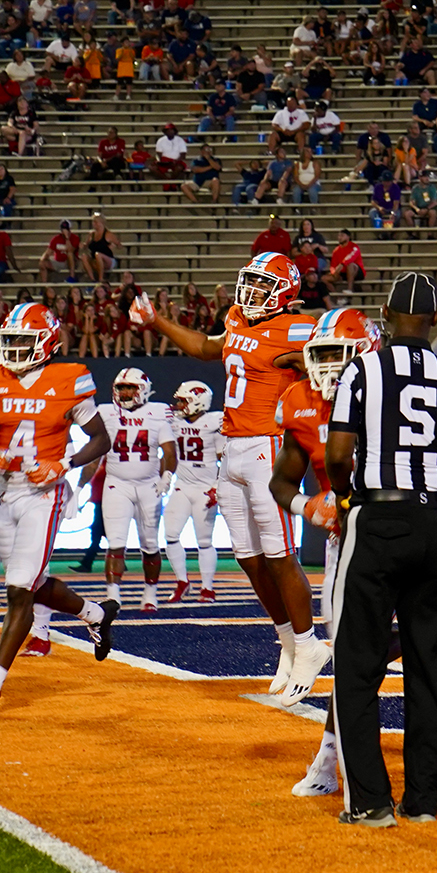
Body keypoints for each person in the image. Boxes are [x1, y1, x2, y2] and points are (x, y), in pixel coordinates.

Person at [129, 255, 331, 706]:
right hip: (233, 445)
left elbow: (338, 357)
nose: (251, 293)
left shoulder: (300, 325)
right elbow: (207, 348)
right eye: (250, 283)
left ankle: (309, 643)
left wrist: (304, 362)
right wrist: (157, 321)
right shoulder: (238, 317)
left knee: (279, 555)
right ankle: (290, 642)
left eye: (261, 285)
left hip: (269, 445)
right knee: (247, 557)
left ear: (282, 291)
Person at [325, 272, 437, 825]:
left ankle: (369, 801)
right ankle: (422, 802)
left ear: (385, 313)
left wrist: (347, 501)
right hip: (436, 519)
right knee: (431, 667)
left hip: (378, 514)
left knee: (356, 664)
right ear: (435, 319)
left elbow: (339, 451)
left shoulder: (362, 370)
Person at [0, 303, 118, 713]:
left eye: (23, 341)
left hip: (44, 495)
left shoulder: (70, 379)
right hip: (5, 490)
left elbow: (100, 440)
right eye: (9, 340)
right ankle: (96, 614)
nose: (13, 349)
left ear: (47, 342)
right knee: (33, 583)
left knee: (19, 589)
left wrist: (63, 464)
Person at [271, 306, 382, 796]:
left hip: (401, 525)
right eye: (321, 356)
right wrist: (306, 505)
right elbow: (280, 481)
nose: (327, 367)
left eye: (338, 354)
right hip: (346, 535)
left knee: (374, 641)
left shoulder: (391, 391)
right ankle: (328, 760)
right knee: (350, 646)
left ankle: (429, 657)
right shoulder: (299, 399)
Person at [81, 369, 177, 612]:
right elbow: (94, 454)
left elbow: (169, 450)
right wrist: (80, 486)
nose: (124, 392)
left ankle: (150, 592)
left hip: (149, 486)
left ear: (142, 389)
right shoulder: (105, 413)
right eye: (121, 387)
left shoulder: (157, 413)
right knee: (115, 542)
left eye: (130, 387)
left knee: (150, 544)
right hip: (117, 484)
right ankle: (113, 595)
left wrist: (166, 476)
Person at [165, 381, 223, 602]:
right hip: (182, 485)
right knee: (170, 535)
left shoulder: (214, 423)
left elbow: (225, 458)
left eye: (183, 401)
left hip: (204, 489)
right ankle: (182, 581)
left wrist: (217, 487)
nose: (179, 405)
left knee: (204, 541)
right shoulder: (174, 423)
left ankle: (207, 588)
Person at [81, 213, 120, 284]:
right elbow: (86, 245)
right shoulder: (91, 234)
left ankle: (100, 278)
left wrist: (112, 246)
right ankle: (92, 279)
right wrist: (83, 245)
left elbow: (119, 245)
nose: (94, 224)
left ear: (101, 223)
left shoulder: (108, 234)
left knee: (98, 255)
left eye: (95, 222)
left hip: (107, 260)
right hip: (95, 260)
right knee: (84, 256)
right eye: (93, 222)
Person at [328, 229, 365, 294]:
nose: (340, 237)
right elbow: (333, 265)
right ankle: (337, 296)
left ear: (348, 237)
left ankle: (350, 289)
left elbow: (351, 257)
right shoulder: (336, 250)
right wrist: (334, 272)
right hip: (342, 272)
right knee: (324, 279)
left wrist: (342, 264)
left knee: (350, 264)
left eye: (342, 235)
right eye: (339, 236)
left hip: (356, 271)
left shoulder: (354, 247)